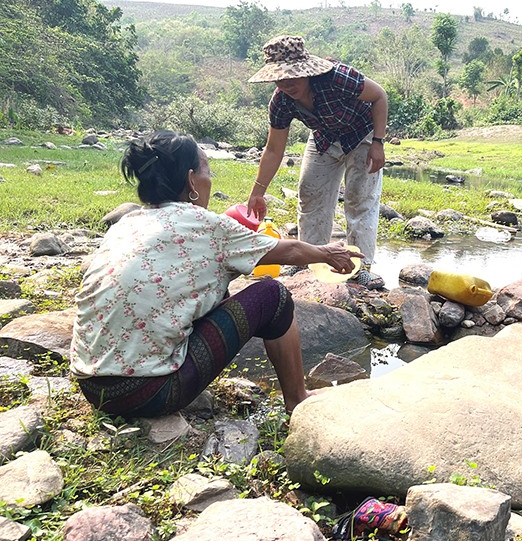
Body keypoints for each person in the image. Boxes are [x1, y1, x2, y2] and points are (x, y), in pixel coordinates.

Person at [69, 130, 362, 416]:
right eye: (207, 169)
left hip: (94, 389)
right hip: (150, 394)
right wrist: (328, 253)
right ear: (191, 180)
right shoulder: (205, 224)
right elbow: (290, 251)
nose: (210, 179)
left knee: (219, 291)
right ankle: (298, 398)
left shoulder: (127, 223)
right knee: (273, 295)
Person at [247, 35, 388, 288]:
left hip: (363, 132)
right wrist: (258, 191)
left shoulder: (338, 77)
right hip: (324, 138)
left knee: (360, 201)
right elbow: (273, 149)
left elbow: (379, 96)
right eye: (280, 78)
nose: (287, 84)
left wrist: (378, 142)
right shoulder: (280, 102)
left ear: (307, 70)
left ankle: (361, 268)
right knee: (309, 194)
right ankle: (307, 262)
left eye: (293, 75)